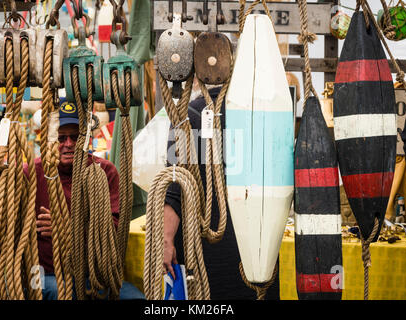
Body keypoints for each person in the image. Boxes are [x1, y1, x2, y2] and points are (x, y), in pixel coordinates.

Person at [164, 85, 280, 300]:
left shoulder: (187, 116)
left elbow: (174, 187)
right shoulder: (264, 113)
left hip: (205, 251)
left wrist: (166, 240)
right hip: (257, 249)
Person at [24, 100, 144, 300]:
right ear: (47, 139)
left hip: (94, 274)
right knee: (60, 293)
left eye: (75, 137)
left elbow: (114, 230)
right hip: (43, 273)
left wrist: (67, 229)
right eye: (61, 138)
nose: (69, 144)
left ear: (87, 137)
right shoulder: (30, 175)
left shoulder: (105, 172)